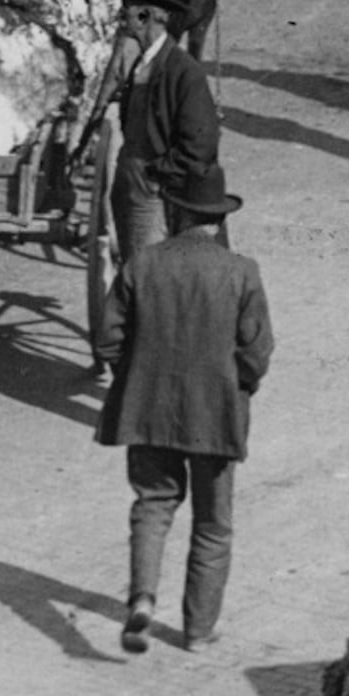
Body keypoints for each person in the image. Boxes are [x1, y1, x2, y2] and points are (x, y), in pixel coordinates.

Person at [99, 170, 272, 656]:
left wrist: (135, 381)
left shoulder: (141, 264)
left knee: (152, 506)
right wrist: (237, 388)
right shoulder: (241, 272)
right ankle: (198, 630)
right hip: (215, 417)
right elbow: (257, 352)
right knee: (213, 524)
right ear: (218, 221)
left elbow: (109, 339)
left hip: (148, 412)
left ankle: (143, 599)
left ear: (175, 213)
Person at [92, 0, 219, 373]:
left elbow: (200, 146)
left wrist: (154, 175)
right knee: (137, 280)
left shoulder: (183, 72)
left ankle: (155, 379)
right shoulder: (142, 66)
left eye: (126, 11)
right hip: (130, 195)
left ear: (147, 16)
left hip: (151, 198)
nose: (120, 18)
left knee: (148, 288)